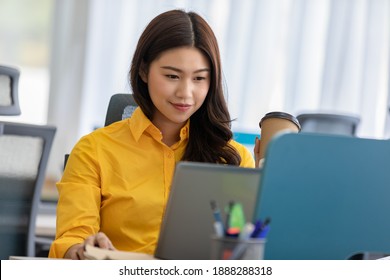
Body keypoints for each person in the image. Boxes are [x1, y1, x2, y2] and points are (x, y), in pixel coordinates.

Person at [48, 9, 255, 259]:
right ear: (144, 71)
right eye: (172, 76)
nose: (185, 93)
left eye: (199, 78)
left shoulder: (234, 158)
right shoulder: (94, 150)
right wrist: (83, 250)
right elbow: (71, 239)